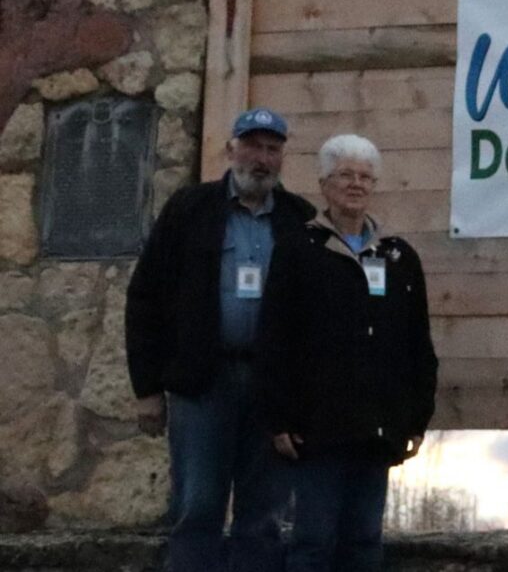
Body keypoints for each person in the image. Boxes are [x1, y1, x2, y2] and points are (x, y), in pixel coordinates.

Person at [125, 107, 312, 571]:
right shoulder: (189, 209)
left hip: (272, 388)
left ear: (282, 157)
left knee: (264, 516)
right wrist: (146, 387)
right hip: (201, 383)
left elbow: (316, 315)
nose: (261, 159)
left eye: (271, 149)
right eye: (252, 146)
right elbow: (146, 296)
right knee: (197, 507)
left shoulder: (300, 220)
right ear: (231, 150)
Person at [257, 133, 438, 572]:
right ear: (323, 184)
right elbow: (275, 337)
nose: (355, 184)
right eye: (344, 175)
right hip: (317, 429)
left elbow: (418, 343)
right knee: (313, 541)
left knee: (364, 541)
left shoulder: (399, 257)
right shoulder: (299, 249)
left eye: (364, 177)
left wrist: (416, 418)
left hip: (377, 430)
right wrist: (279, 418)